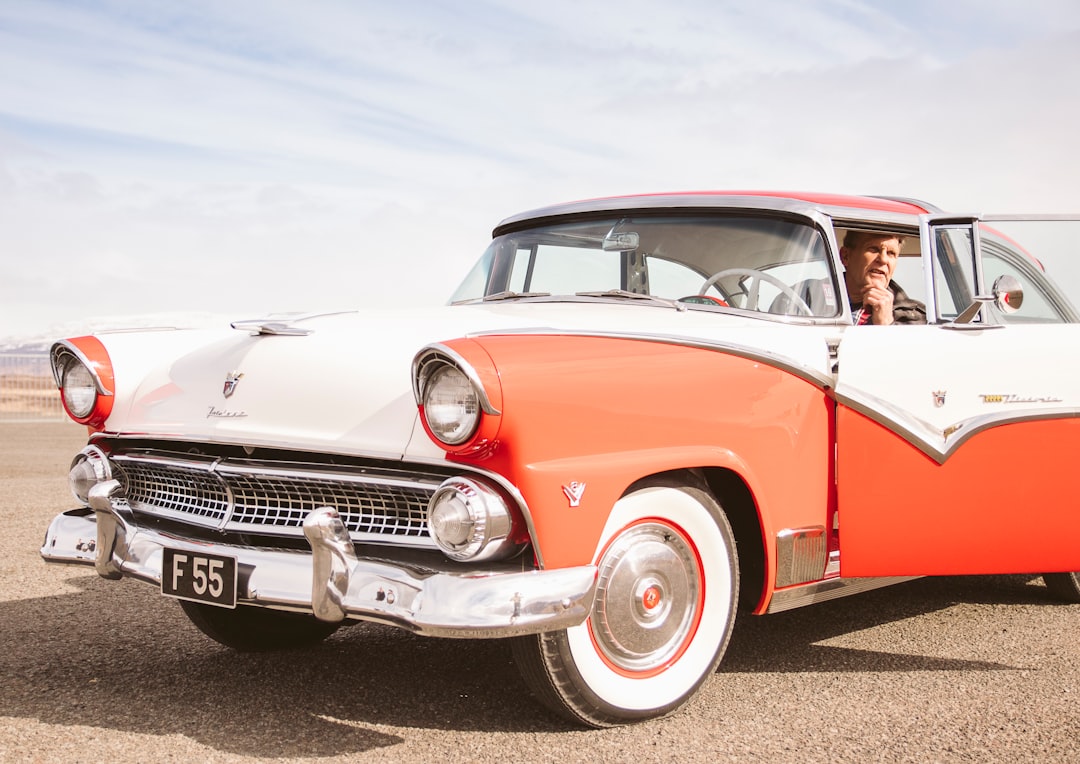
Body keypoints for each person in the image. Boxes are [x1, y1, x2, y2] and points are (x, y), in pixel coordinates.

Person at [839, 231, 926, 325]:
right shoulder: (821, 296)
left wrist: (886, 323)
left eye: (891, 253)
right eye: (873, 249)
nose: (883, 260)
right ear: (846, 256)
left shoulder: (914, 318)